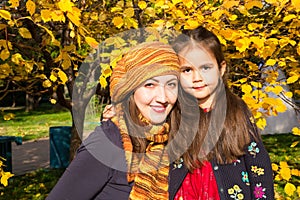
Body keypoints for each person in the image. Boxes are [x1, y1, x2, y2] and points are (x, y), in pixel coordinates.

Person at [103, 26, 274, 200]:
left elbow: (258, 167)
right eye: (187, 70)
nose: (197, 78)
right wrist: (121, 113)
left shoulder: (237, 112)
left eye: (205, 68)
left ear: (221, 69)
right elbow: (143, 124)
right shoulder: (173, 111)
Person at [46, 41, 196, 199]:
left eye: (171, 85)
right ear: (130, 90)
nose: (163, 97)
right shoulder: (105, 144)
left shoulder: (172, 137)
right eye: (150, 84)